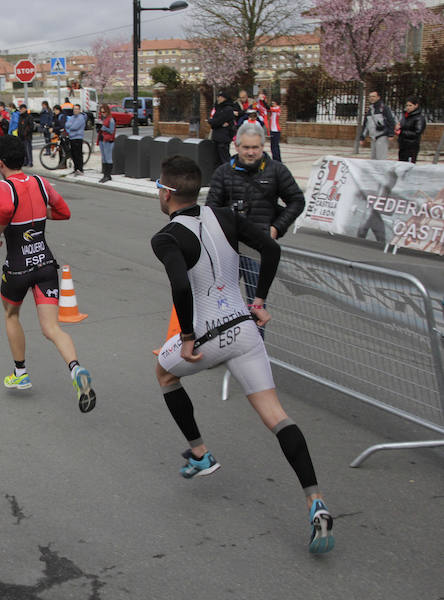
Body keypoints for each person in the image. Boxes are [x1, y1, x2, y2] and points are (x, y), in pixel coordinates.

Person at [151, 154, 334, 554]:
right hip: (245, 330)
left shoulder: (165, 237)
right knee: (277, 416)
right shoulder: (224, 216)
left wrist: (184, 337)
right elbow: (270, 247)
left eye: (158, 189)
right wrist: (260, 299)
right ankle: (314, 501)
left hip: (205, 336)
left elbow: (182, 288)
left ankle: (199, 453)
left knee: (164, 374)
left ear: (166, 193)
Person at [0, 135, 96, 412]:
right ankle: (75, 369)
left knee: (11, 314)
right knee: (52, 328)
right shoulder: (40, 182)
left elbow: (7, 208)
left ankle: (20, 374)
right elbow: (64, 212)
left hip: (18, 267)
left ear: (0, 162)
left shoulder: (1, 186)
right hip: (45, 264)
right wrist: (43, 216)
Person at [205, 121, 305, 318]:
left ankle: (256, 347)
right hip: (228, 250)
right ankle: (225, 345)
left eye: (255, 148)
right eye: (246, 148)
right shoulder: (223, 172)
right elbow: (211, 210)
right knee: (220, 303)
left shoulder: (277, 170)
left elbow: (297, 201)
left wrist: (276, 228)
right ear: (237, 146)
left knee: (256, 307)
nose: (251, 152)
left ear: (262, 146)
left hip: (258, 252)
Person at [360, 90, 395, 160]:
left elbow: (391, 121)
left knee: (381, 158)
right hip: (373, 137)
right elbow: (365, 124)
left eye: (373, 96)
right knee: (373, 158)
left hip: (382, 135)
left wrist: (391, 134)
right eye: (370, 97)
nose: (371, 98)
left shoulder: (384, 108)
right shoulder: (370, 110)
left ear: (378, 97)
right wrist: (362, 137)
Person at [207, 90, 238, 167]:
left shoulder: (228, 109)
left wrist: (215, 123)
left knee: (224, 159)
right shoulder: (218, 108)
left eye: (220, 97)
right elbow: (212, 121)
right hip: (216, 137)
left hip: (223, 138)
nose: (218, 99)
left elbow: (217, 121)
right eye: (218, 97)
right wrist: (215, 123)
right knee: (216, 160)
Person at [396, 96, 426, 163]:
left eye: (410, 105)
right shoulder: (405, 116)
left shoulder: (419, 118)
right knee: (401, 164)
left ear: (416, 105)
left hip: (412, 146)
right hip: (403, 145)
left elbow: (417, 133)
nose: (408, 107)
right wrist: (398, 127)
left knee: (409, 166)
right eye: (407, 105)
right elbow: (403, 126)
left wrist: (401, 132)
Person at [65, 104, 86, 175]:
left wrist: (70, 126)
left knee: (78, 154)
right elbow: (66, 125)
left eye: (77, 109)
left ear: (79, 110)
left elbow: (75, 127)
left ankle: (80, 169)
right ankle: (76, 168)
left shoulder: (81, 118)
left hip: (78, 138)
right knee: (73, 154)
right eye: (74, 109)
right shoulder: (72, 117)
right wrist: (71, 126)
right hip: (71, 138)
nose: (75, 110)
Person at [97, 104, 115, 183]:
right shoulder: (102, 119)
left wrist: (103, 127)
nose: (103, 113)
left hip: (108, 140)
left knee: (108, 158)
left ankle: (107, 175)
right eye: (101, 112)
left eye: (104, 112)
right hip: (102, 139)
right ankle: (106, 175)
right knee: (104, 158)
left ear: (107, 111)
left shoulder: (111, 119)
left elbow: (111, 130)